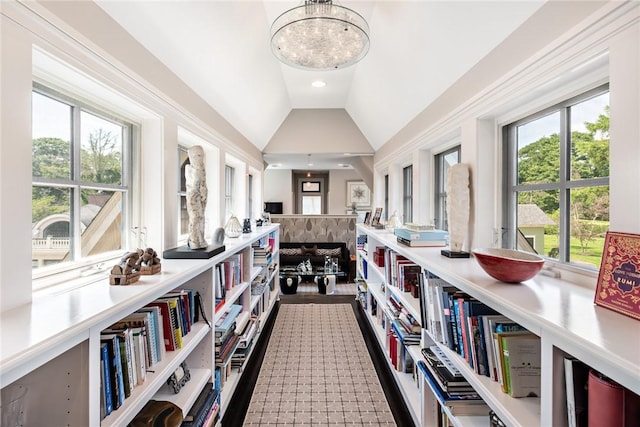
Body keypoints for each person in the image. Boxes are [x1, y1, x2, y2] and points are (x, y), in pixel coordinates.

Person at [185, 145, 208, 249]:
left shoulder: (202, 170)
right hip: (193, 196)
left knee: (201, 217)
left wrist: (204, 191)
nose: (200, 158)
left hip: (202, 196)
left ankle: (200, 238)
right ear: (192, 156)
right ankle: (194, 240)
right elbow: (194, 185)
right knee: (195, 217)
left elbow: (203, 183)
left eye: (202, 155)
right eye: (198, 155)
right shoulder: (190, 169)